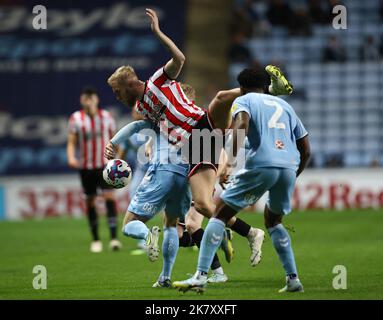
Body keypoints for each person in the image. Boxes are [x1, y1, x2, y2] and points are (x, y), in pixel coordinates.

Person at [105, 8, 293, 262]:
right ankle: (249, 234)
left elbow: (179, 58)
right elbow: (141, 127)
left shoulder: (157, 81)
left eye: (118, 92)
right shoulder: (142, 107)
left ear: (129, 84)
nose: (117, 97)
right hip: (196, 147)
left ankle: (269, 89)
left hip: (201, 126)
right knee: (203, 207)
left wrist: (158, 33)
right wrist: (117, 141)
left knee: (220, 97)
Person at [173, 66, 311, 293]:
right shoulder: (286, 106)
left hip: (263, 164)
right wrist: (295, 173)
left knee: (218, 214)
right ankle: (293, 279)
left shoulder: (244, 101)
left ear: (242, 87)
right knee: (274, 221)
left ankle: (200, 276)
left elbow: (242, 125)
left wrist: (228, 162)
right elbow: (305, 149)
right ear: (266, 86)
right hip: (288, 167)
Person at [67, 87, 122, 253]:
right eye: (86, 98)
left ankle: (113, 239)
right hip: (86, 166)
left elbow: (115, 138)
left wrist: (118, 157)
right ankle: (96, 239)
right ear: (82, 101)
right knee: (90, 201)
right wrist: (71, 157)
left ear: (97, 100)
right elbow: (71, 141)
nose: (89, 101)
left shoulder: (106, 117)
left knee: (109, 197)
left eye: (92, 98)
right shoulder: (76, 118)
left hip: (104, 164)